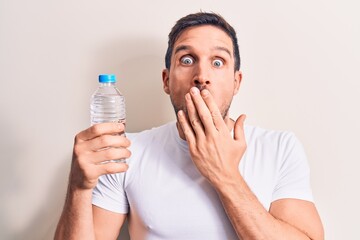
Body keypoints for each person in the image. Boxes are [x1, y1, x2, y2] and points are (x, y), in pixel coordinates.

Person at [55, 12, 324, 239]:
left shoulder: (279, 148)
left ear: (236, 82)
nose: (202, 76)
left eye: (218, 62)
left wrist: (225, 175)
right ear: (166, 80)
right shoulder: (126, 153)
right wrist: (79, 188)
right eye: (186, 60)